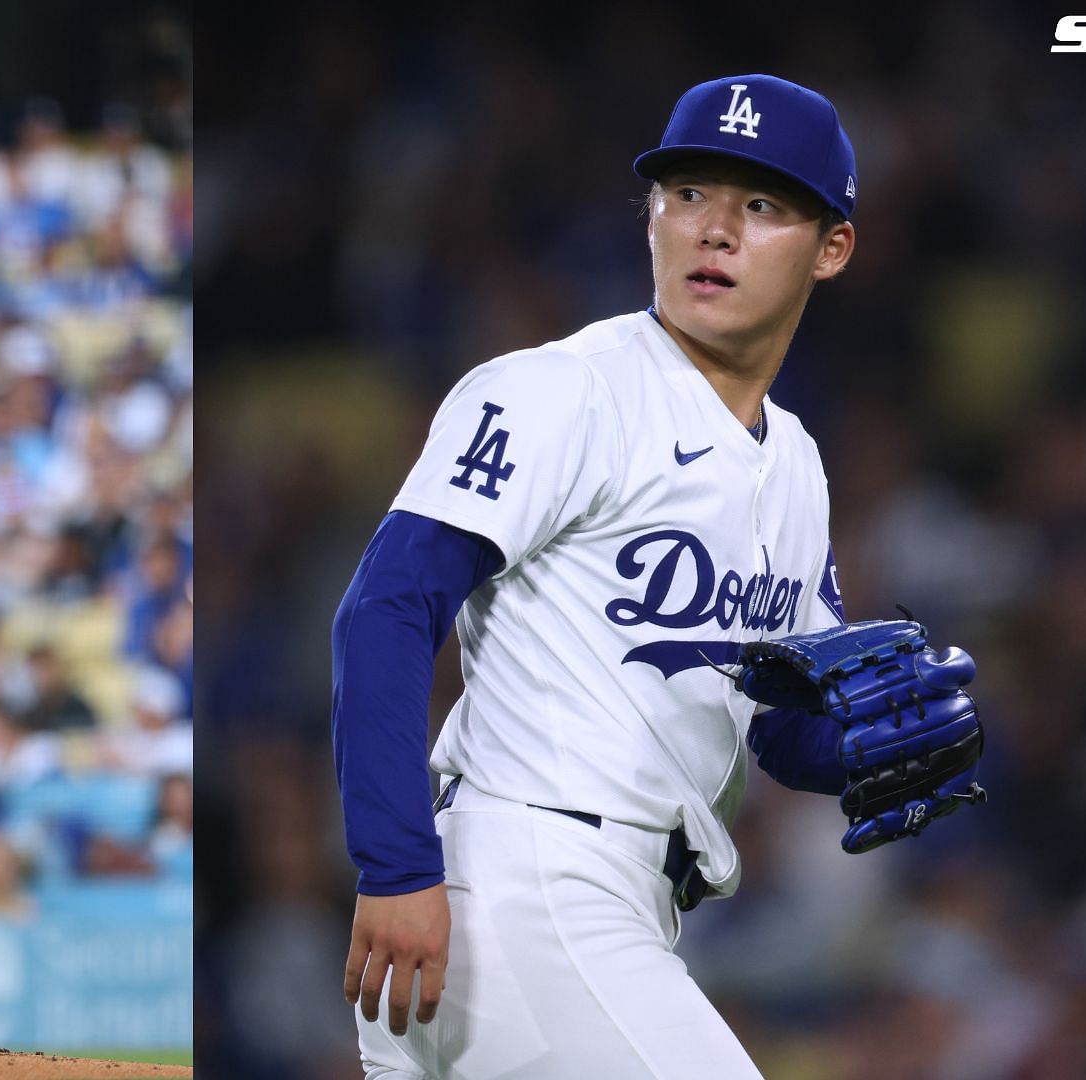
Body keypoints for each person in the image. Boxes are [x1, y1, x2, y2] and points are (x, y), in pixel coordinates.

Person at [332, 75, 887, 1076]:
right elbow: (385, 609)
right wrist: (396, 863)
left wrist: (881, 742)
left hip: (612, 904)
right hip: (526, 887)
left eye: (760, 205)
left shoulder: (795, 462)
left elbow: (785, 728)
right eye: (687, 195)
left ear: (832, 245)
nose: (714, 230)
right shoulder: (564, 393)